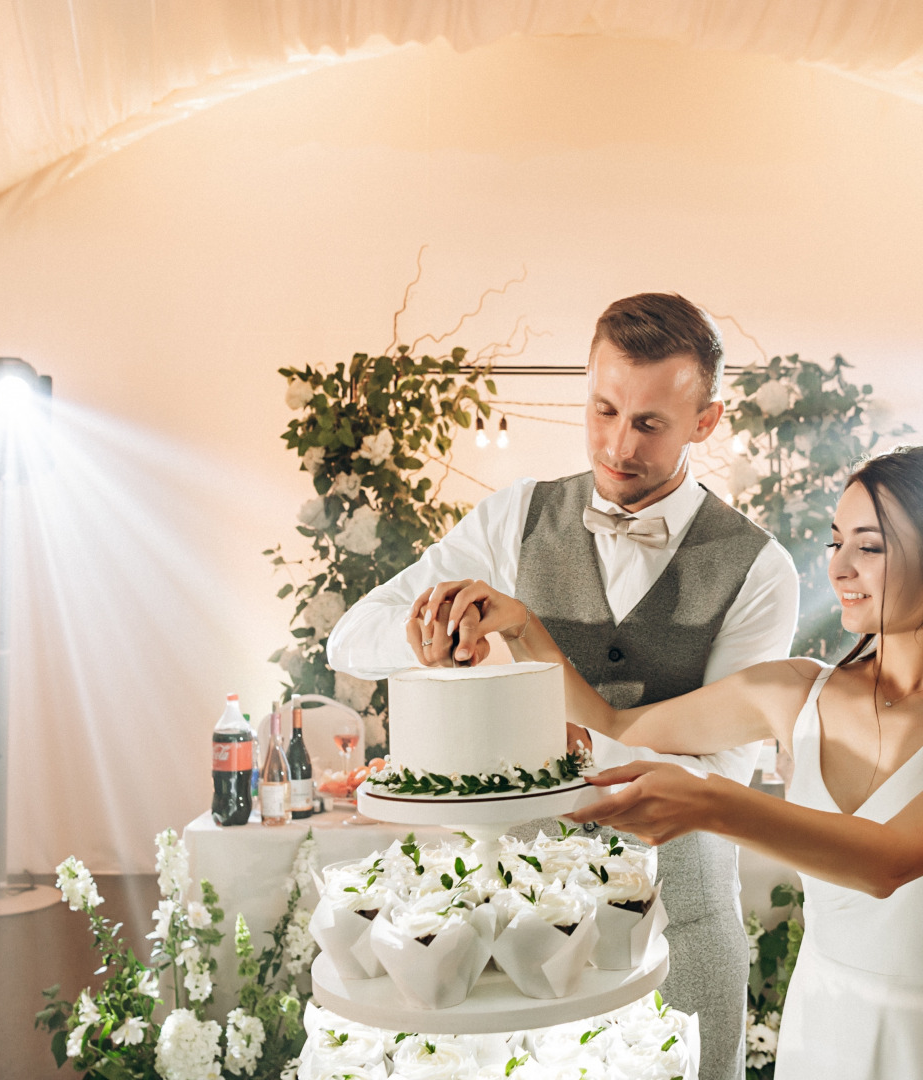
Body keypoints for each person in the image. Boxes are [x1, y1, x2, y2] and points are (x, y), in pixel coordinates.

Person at [424, 445, 923, 1079]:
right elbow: (615, 725)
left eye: (870, 547)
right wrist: (521, 628)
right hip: (825, 1029)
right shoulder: (795, 690)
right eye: (836, 542)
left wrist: (713, 803)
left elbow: (889, 860)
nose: (839, 567)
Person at [327, 292, 800, 1079]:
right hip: (515, 938)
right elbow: (352, 636)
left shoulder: (758, 569)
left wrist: (571, 712)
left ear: (706, 422)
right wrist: (427, 635)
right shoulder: (515, 518)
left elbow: (720, 775)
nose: (618, 445)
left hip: (678, 922)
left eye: (649, 423)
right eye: (603, 409)